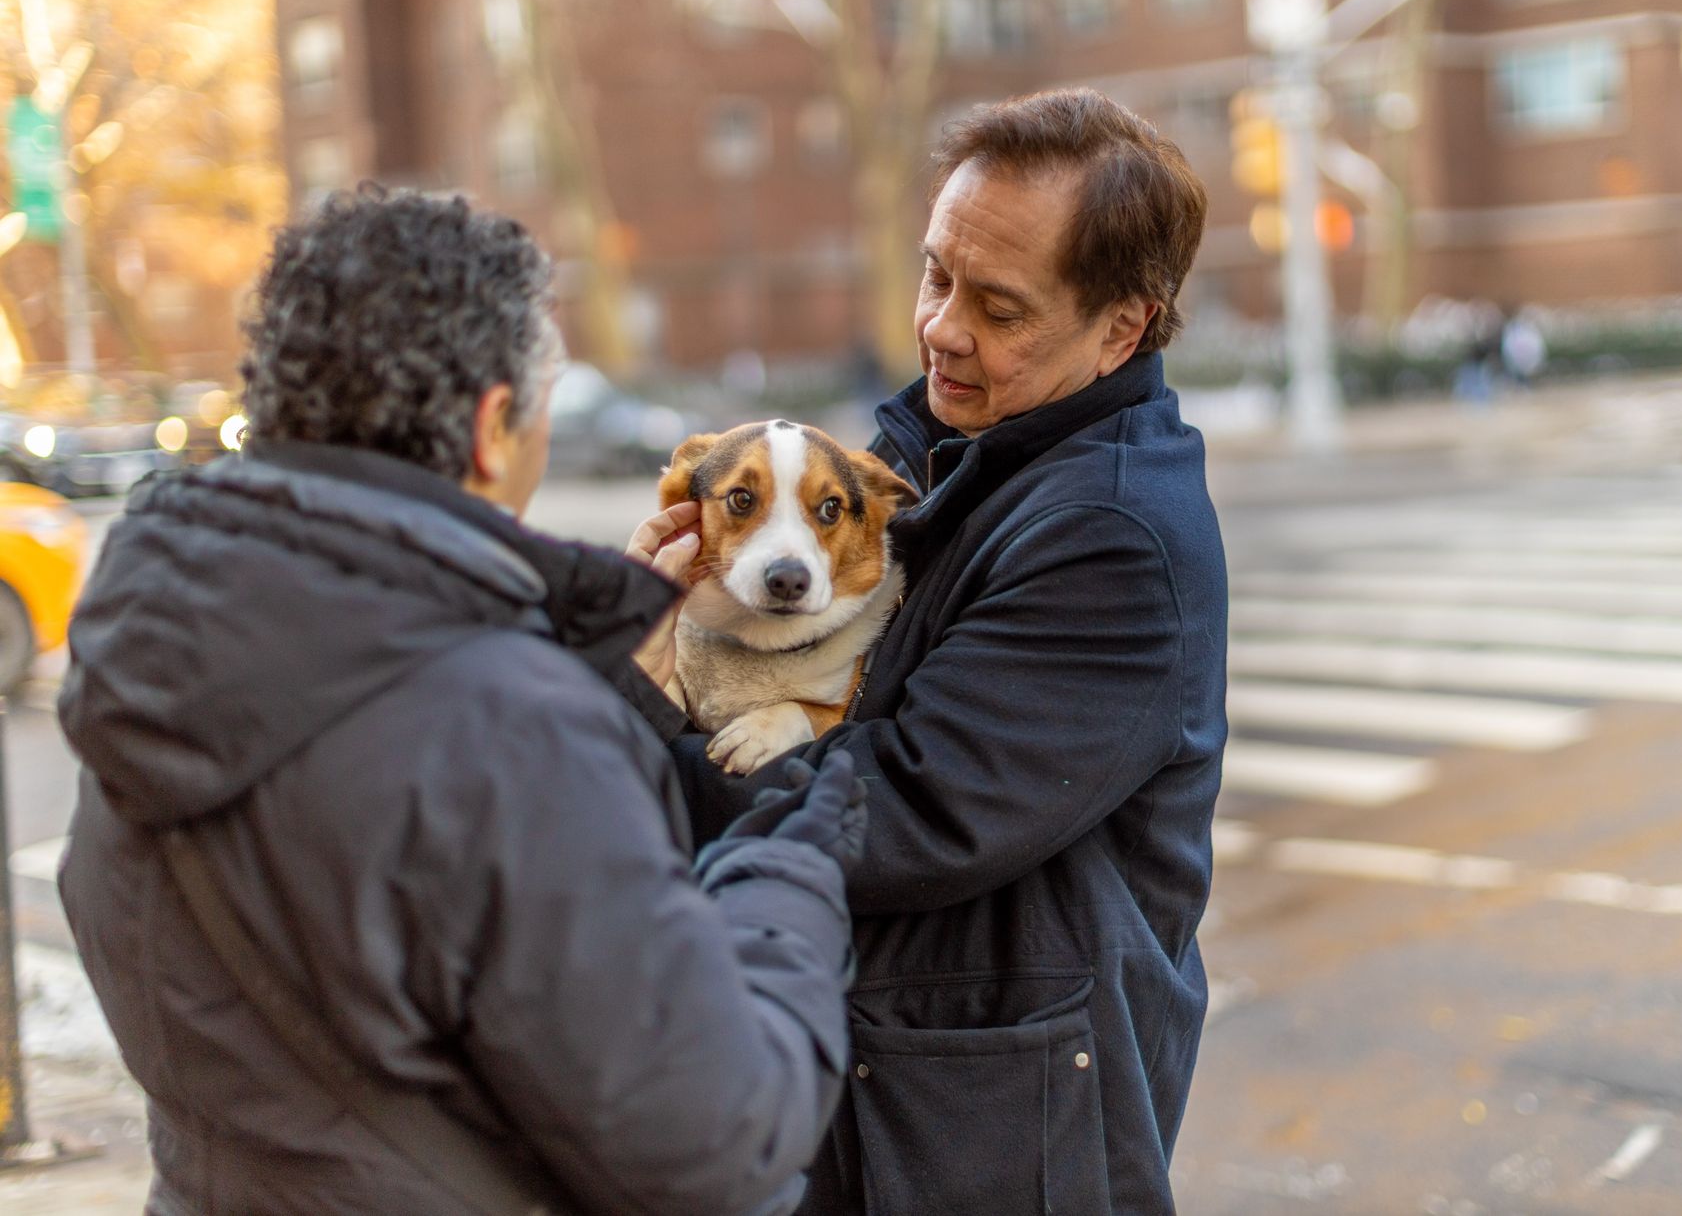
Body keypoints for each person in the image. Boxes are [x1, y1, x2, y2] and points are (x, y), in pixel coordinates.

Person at [57, 189, 863, 1214]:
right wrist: (786, 863)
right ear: (493, 426)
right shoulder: (506, 724)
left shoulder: (152, 638)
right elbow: (716, 1135)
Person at [666, 88, 1227, 1214]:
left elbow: (910, 810)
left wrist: (639, 732)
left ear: (1122, 325)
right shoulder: (954, 454)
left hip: (995, 1127)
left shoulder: (1107, 531)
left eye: (999, 306)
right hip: (911, 1075)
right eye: (936, 275)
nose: (941, 326)